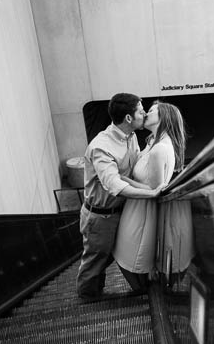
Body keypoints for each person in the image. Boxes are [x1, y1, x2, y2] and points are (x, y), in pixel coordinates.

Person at [77, 93, 162, 302]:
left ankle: (132, 289)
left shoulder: (130, 136)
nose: (144, 113)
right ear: (128, 118)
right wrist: (150, 193)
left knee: (116, 253)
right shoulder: (101, 147)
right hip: (100, 216)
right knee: (97, 259)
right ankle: (89, 297)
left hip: (120, 211)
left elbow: (131, 170)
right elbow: (116, 184)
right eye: (141, 111)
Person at [114, 100, 188, 290]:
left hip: (142, 210)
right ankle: (143, 292)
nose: (146, 113)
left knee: (131, 257)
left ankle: (143, 293)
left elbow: (154, 190)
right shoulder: (152, 142)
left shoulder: (159, 149)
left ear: (163, 117)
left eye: (152, 111)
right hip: (136, 206)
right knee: (127, 256)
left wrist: (123, 180)